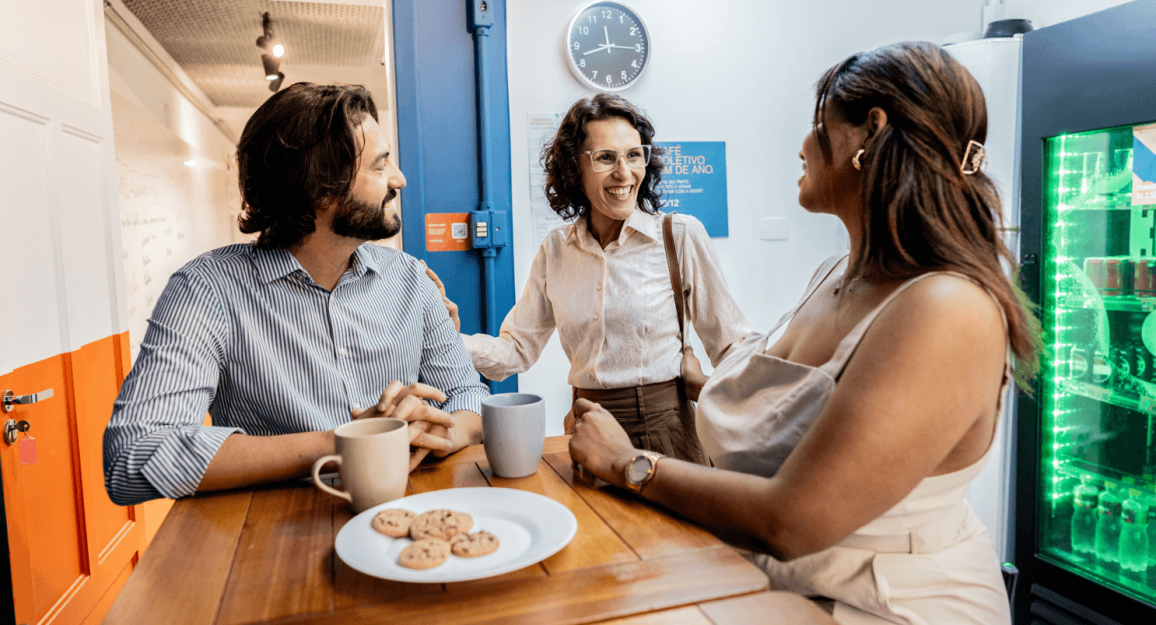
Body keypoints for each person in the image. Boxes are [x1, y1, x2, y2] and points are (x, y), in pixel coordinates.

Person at [569, 42, 1039, 624]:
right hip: (775, 579)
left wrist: (628, 464)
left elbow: (793, 520)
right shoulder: (835, 273)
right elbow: (794, 413)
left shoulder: (947, 308)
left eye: (818, 126)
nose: (802, 145)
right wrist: (698, 386)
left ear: (869, 133)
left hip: (887, 602)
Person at [103, 83, 488, 506]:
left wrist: (445, 429)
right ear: (321, 189)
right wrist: (346, 443)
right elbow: (133, 457)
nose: (399, 179)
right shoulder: (207, 288)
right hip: (272, 539)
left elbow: (469, 396)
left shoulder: (412, 280)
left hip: (409, 515)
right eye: (380, 167)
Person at [427, 93, 749, 463]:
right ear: (574, 170)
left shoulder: (679, 236)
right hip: (586, 431)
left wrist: (742, 422)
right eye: (605, 158)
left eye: (633, 155)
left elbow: (732, 345)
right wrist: (448, 339)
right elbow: (516, 350)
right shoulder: (556, 250)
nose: (624, 173)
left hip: (666, 431)